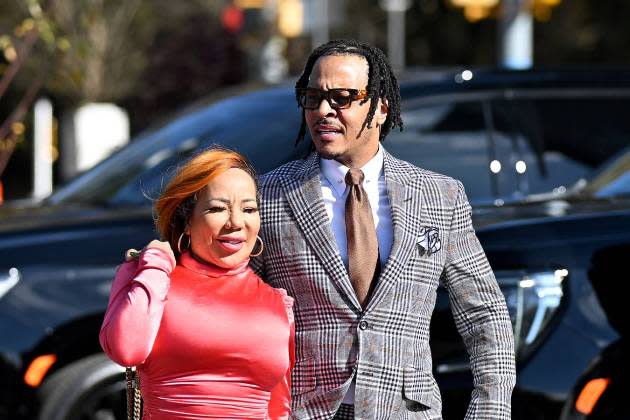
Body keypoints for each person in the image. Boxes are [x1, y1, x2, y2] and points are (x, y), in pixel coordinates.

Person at [250, 39, 516, 419]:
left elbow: (484, 313)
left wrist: (490, 409)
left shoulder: (439, 196)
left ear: (380, 108)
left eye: (341, 97)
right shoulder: (269, 195)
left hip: (408, 410)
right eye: (312, 97)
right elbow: (233, 303)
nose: (323, 111)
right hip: (302, 410)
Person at [99, 148, 294, 420]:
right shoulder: (149, 278)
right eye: (217, 208)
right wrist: (155, 263)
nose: (236, 222)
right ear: (187, 220)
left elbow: (279, 409)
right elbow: (126, 350)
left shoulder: (278, 303)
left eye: (249, 209)